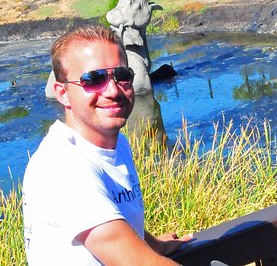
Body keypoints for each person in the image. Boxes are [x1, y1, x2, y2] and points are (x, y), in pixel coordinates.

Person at [23, 26, 191, 265]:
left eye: (122, 75)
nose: (113, 90)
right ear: (63, 93)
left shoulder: (117, 144)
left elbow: (113, 221)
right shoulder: (61, 166)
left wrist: (154, 246)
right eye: (94, 79)